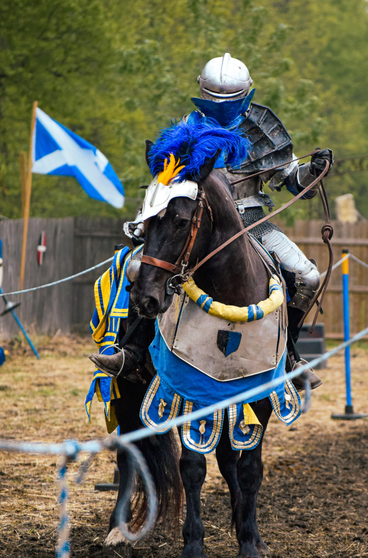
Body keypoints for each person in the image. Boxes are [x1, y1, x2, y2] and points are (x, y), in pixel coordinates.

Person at [91, 53, 333, 389]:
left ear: (246, 95)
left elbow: (293, 179)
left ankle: (290, 355)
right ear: (201, 94)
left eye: (230, 99)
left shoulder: (262, 129)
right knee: (135, 269)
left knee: (307, 276)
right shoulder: (186, 129)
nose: (222, 106)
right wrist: (143, 222)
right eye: (214, 99)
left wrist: (314, 170)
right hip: (193, 223)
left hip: (251, 224)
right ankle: (132, 349)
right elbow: (165, 182)